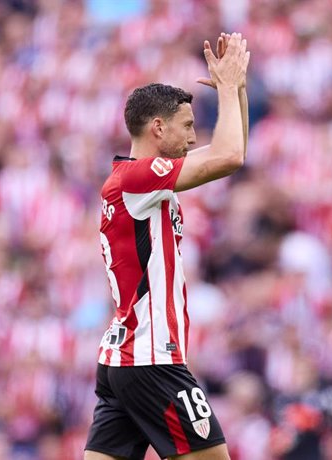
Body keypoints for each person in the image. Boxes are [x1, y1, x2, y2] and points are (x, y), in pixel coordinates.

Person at [84, 33, 250, 460]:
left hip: (121, 361)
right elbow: (229, 156)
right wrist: (228, 89)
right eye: (189, 126)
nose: (194, 139)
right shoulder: (137, 177)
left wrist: (238, 89)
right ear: (158, 127)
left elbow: (233, 151)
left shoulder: (139, 184)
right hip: (152, 360)